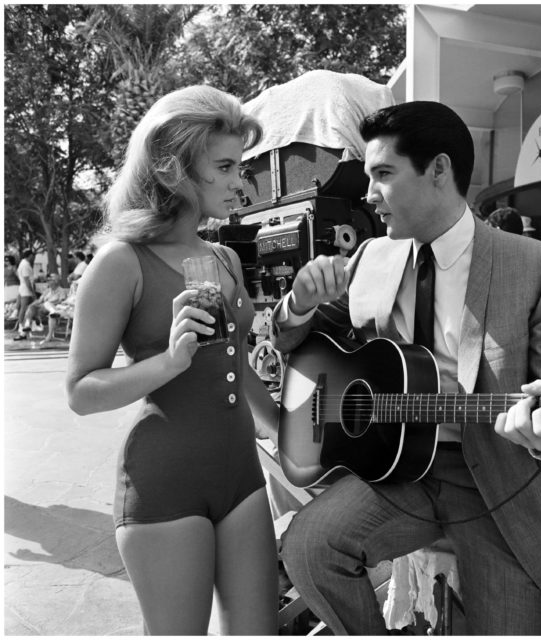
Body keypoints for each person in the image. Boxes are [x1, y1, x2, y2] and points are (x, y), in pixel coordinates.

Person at [271, 101, 541, 635]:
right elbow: (302, 344)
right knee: (308, 547)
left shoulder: (538, 266)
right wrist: (298, 304)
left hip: (498, 486)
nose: (368, 194)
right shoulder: (370, 256)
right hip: (395, 475)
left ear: (439, 170)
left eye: (384, 174)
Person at [65, 85, 279, 635]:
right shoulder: (121, 262)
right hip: (164, 484)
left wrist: (287, 430)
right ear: (173, 170)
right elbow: (81, 391)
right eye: (227, 166)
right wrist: (168, 361)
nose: (241, 182)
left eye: (241, 165)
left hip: (243, 478)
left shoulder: (226, 259)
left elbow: (237, 364)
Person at [20, 273, 67, 345]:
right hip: (41, 310)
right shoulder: (47, 291)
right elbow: (39, 301)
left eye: (51, 280)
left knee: (47, 303)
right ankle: (26, 326)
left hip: (52, 309)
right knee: (31, 307)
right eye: (48, 280)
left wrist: (52, 303)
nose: (48, 281)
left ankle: (24, 333)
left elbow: (62, 301)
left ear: (56, 281)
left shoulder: (61, 291)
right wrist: (31, 305)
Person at [14, 249, 36, 340]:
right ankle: (20, 329)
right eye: (32, 256)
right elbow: (27, 280)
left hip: (24, 289)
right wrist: (32, 292)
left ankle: (26, 329)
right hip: (26, 290)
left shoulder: (24, 264)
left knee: (28, 309)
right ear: (29, 255)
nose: (33, 257)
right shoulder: (25, 265)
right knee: (23, 309)